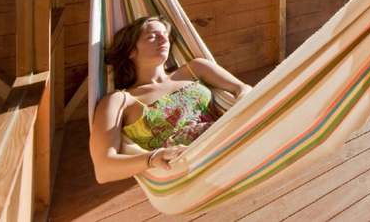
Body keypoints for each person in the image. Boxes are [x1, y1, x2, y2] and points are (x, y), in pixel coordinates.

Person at [89, 15, 252, 183]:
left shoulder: (195, 68)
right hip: (187, 171)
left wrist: (244, 101)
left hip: (232, 142)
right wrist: (153, 158)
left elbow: (242, 88)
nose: (163, 40)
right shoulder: (120, 101)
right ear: (130, 51)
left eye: (165, 36)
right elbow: (103, 169)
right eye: (152, 37)